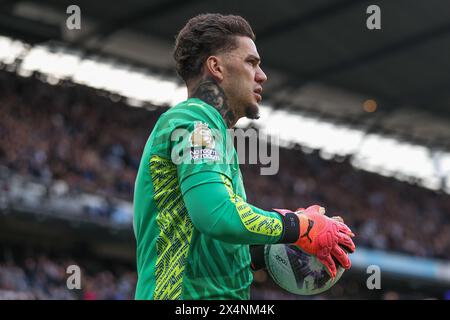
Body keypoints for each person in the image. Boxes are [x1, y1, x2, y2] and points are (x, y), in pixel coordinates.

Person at [133, 13, 355, 300]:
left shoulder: (214, 134)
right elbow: (215, 215)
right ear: (216, 67)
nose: (262, 75)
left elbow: (210, 241)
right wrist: (300, 227)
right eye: (251, 62)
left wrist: (280, 251)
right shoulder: (192, 121)